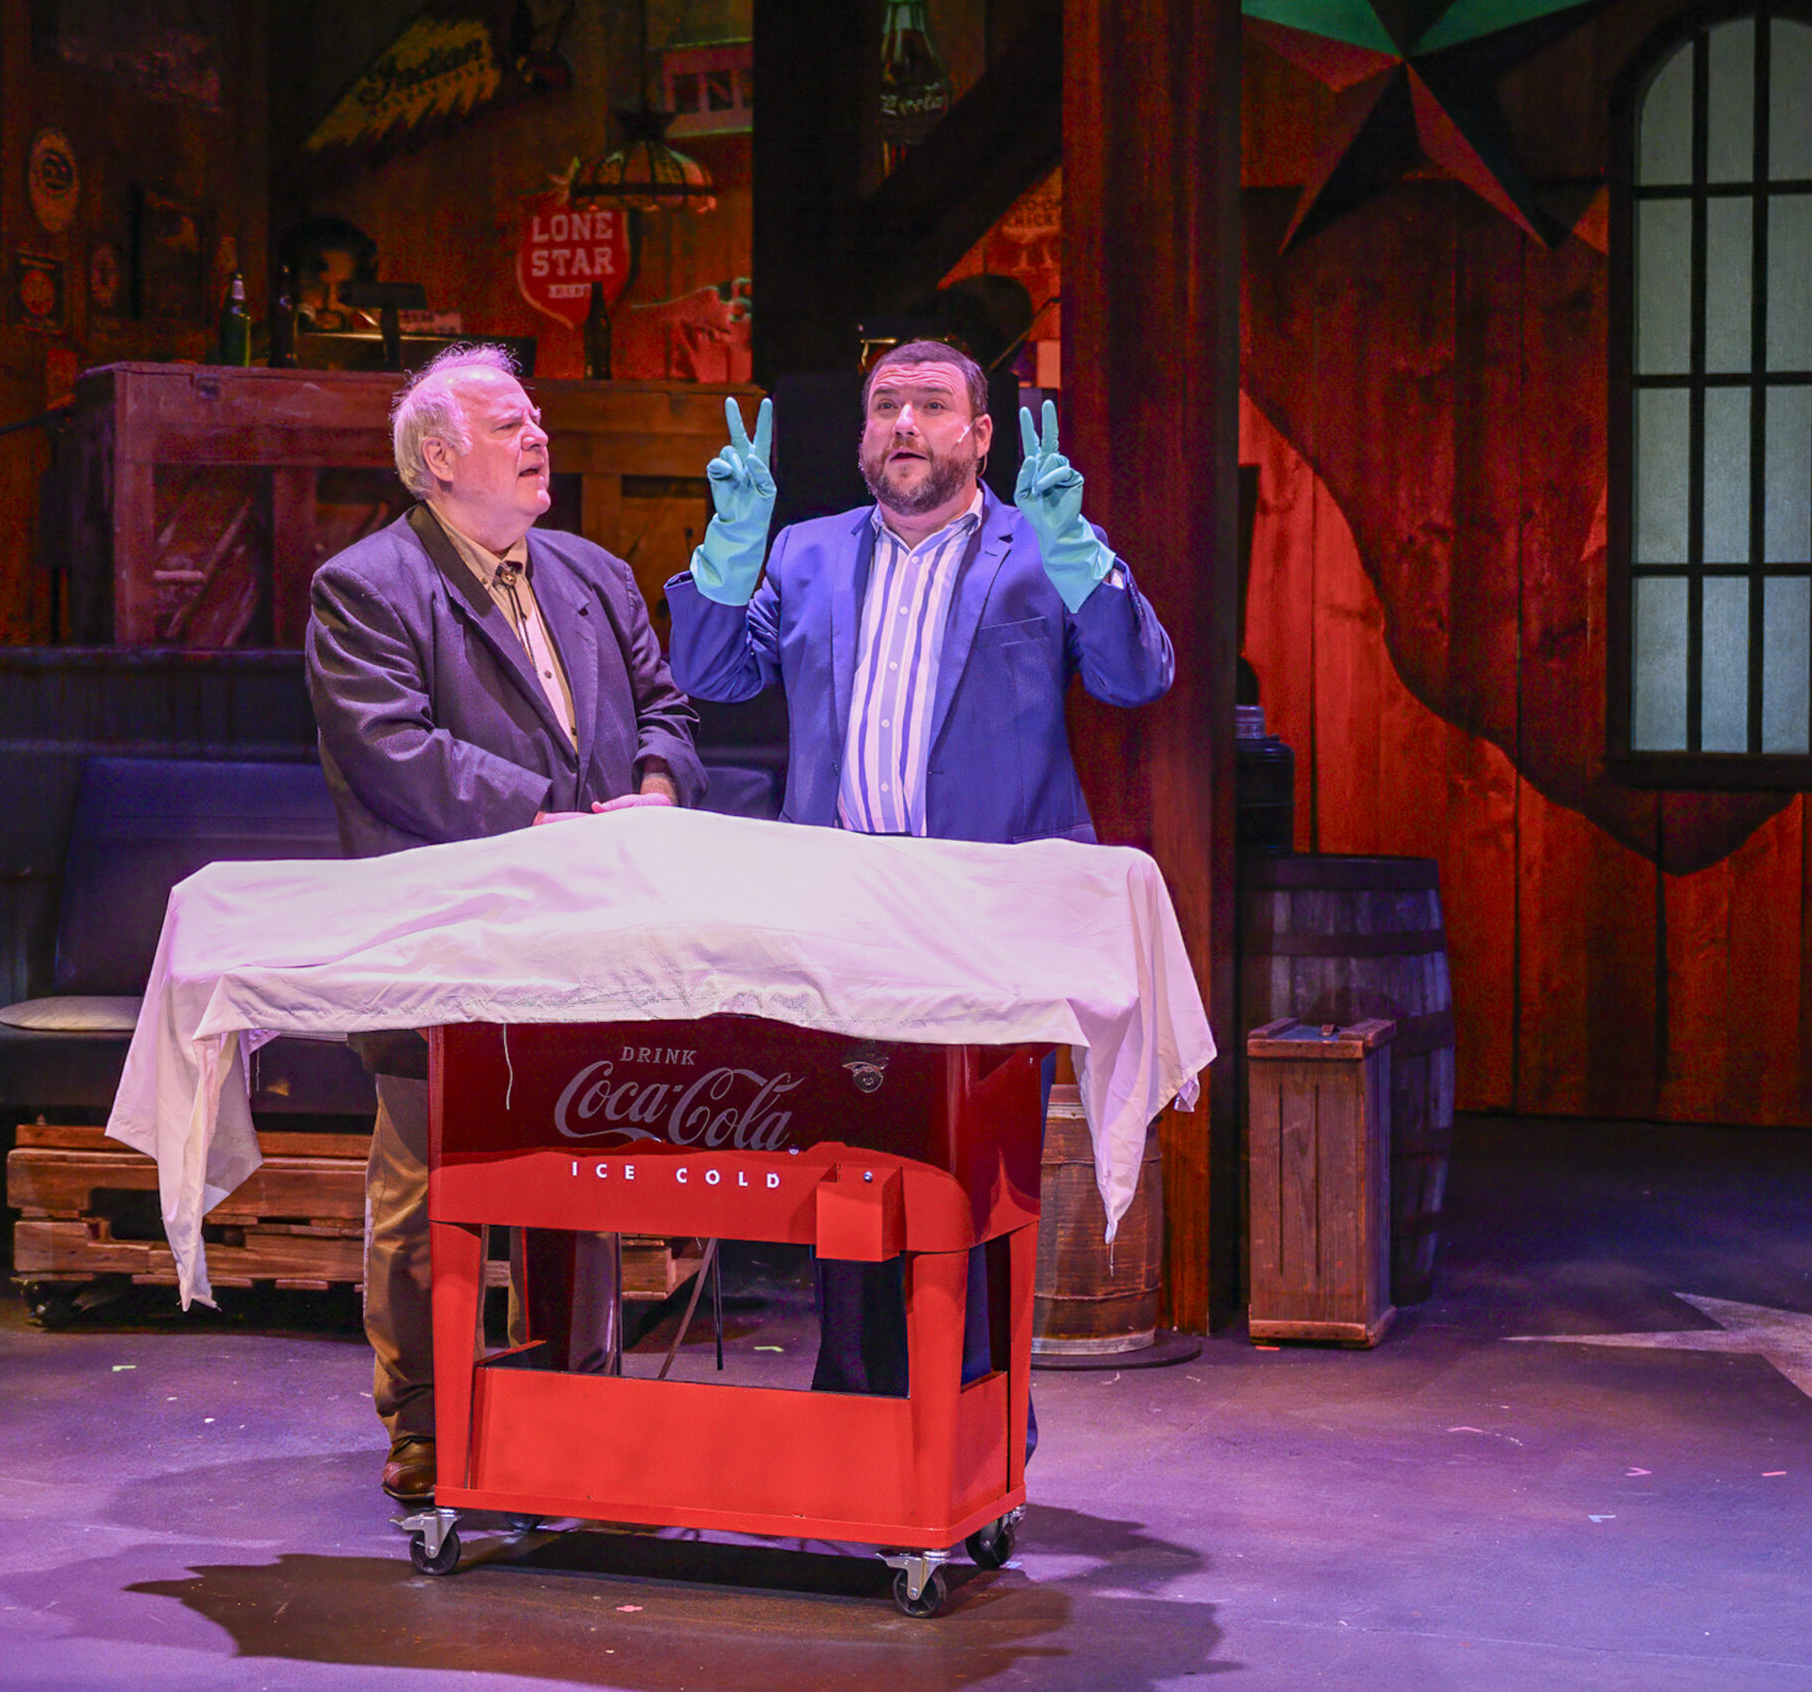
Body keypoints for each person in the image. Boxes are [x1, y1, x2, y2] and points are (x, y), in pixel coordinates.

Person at [662, 337, 1175, 1407]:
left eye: (933, 405)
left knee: (976, 1181)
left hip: (989, 917)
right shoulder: (806, 551)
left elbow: (1135, 677)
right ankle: (854, 1415)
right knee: (848, 1170)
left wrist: (1080, 553)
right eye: (885, 405)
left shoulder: (1037, 546)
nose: (904, 423)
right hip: (843, 916)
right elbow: (711, 672)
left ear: (980, 437)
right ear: (861, 436)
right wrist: (728, 547)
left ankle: (977, 1425)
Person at [306, 343, 706, 1505]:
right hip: (445, 933)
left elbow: (666, 709)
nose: (538, 438)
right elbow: (391, 749)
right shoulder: (366, 586)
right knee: (428, 1184)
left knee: (580, 1169)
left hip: (588, 936)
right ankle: (427, 1424)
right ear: (438, 458)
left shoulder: (594, 573)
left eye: (536, 420)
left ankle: (580, 1403)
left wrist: (659, 787)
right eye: (508, 425)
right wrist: (543, 819)